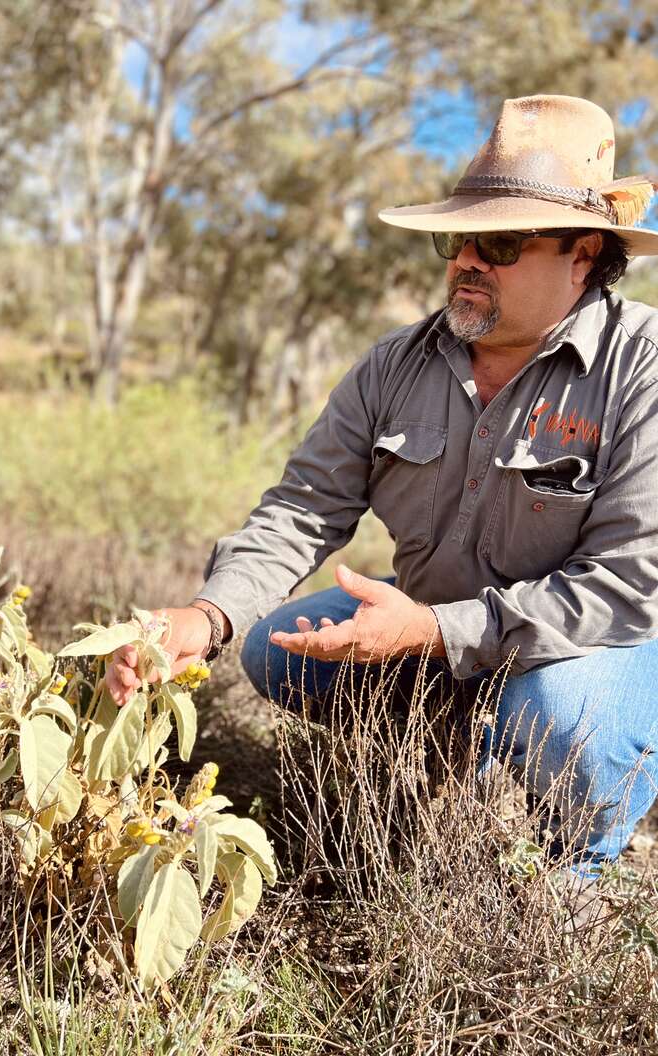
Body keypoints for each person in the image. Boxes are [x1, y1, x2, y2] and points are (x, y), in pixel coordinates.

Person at [108, 95, 658, 886]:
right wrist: (206, 615)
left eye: (499, 241)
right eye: (455, 238)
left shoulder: (639, 370)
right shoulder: (393, 366)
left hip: (597, 649)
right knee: (274, 649)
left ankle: (579, 859)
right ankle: (441, 768)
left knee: (559, 716)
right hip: (436, 624)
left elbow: (626, 589)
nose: (466, 258)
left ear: (582, 258)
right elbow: (303, 508)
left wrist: (434, 630)